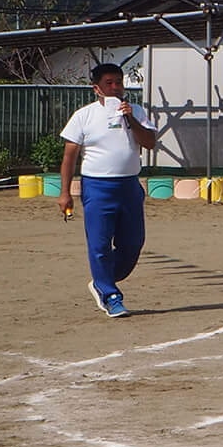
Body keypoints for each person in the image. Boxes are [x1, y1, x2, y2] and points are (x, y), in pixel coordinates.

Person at [58, 62, 158, 319]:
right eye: (109, 83)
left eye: (119, 83)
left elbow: (149, 143)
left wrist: (130, 119)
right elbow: (69, 156)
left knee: (133, 243)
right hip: (97, 187)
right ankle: (110, 295)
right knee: (100, 244)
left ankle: (102, 279)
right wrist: (65, 192)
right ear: (97, 89)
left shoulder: (136, 111)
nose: (115, 88)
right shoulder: (84, 115)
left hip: (129, 186)